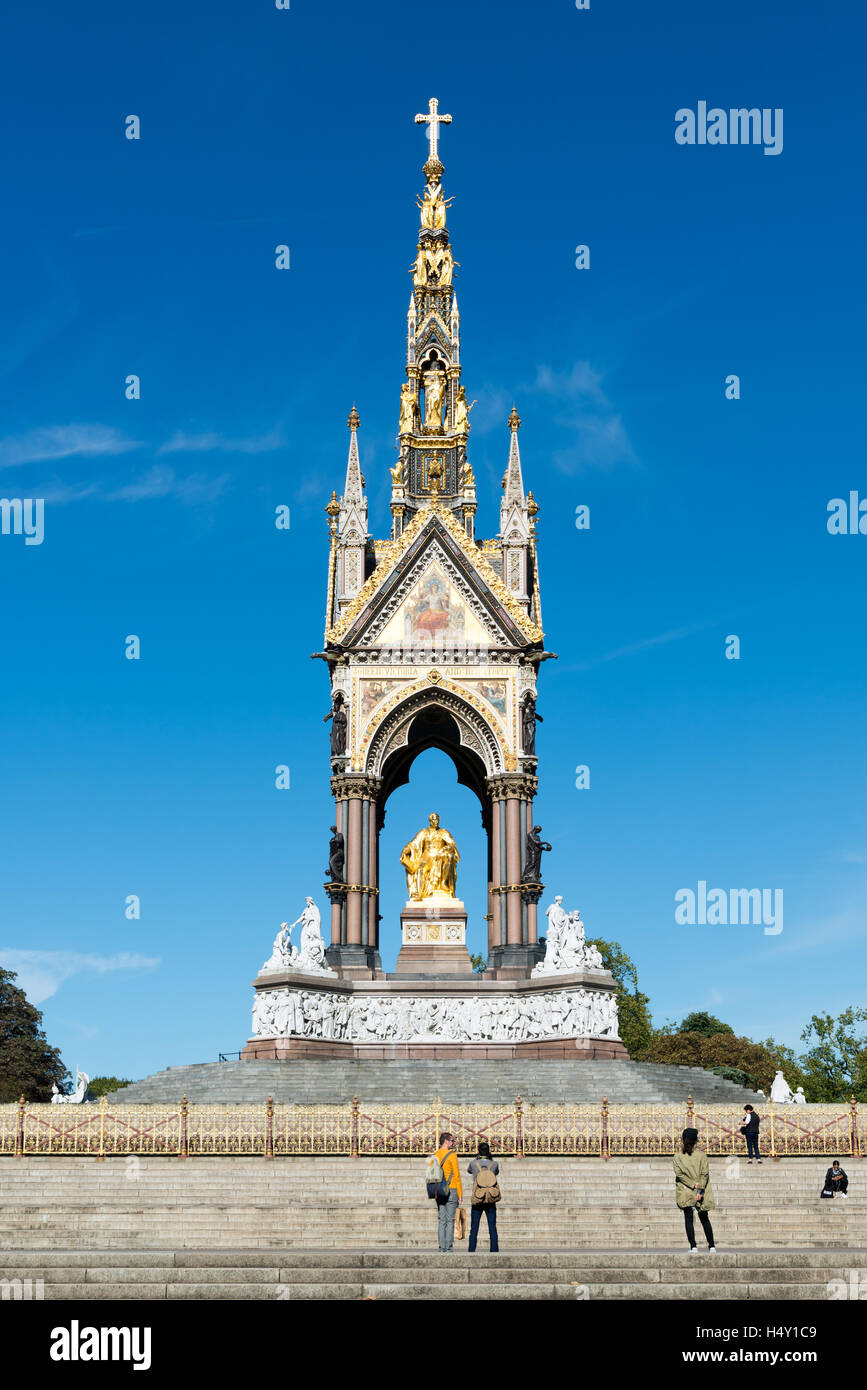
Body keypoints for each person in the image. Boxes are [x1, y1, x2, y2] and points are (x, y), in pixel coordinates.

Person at [674, 1128, 716, 1252]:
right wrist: (700, 1189)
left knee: (688, 1218)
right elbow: (705, 1173)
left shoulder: (677, 1157)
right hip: (700, 1191)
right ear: (696, 1140)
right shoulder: (701, 1155)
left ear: (683, 1139)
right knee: (704, 1218)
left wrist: (693, 1185)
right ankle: (712, 1245)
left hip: (686, 1190)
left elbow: (679, 1174)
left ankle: (693, 1246)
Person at [467, 1140, 500, 1252]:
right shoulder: (494, 1164)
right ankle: (494, 1250)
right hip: (491, 1197)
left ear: (478, 1151)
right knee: (492, 1227)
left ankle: (471, 1250)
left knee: (474, 1227)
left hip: (478, 1197)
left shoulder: (473, 1163)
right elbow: (496, 1173)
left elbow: (469, 1171)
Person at [434, 1132, 462, 1252]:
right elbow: (457, 1176)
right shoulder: (452, 1155)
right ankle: (448, 1247)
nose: (452, 1143)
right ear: (445, 1141)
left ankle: (441, 1247)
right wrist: (460, 1194)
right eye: (451, 1140)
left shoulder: (435, 1155)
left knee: (442, 1220)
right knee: (450, 1220)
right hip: (451, 1189)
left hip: (439, 1189)